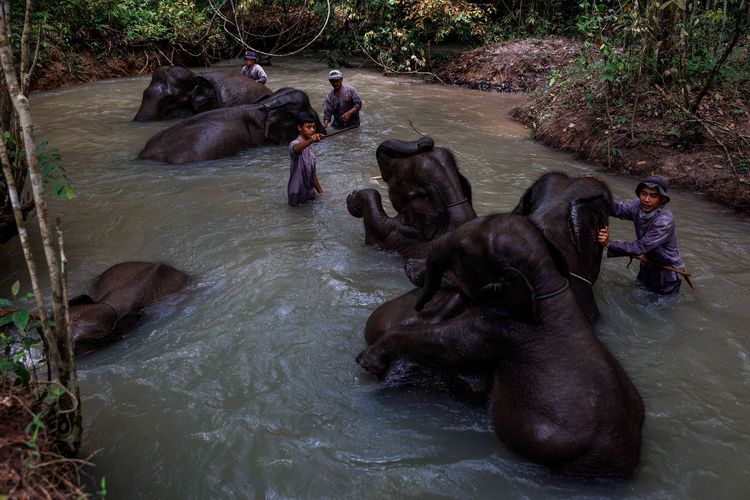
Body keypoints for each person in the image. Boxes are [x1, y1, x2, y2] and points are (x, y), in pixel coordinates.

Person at [597, 175, 685, 295]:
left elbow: (639, 247)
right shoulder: (637, 205)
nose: (646, 199)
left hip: (666, 273)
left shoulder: (664, 222)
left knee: (659, 308)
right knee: (639, 293)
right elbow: (617, 209)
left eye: (653, 195)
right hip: (647, 263)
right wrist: (598, 194)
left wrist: (609, 243)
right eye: (644, 194)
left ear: (662, 199)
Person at [287, 112, 325, 206]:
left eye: (314, 127)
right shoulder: (294, 143)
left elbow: (312, 174)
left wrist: (321, 192)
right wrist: (311, 140)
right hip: (296, 194)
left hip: (310, 194)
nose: (312, 130)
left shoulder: (312, 148)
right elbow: (296, 149)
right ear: (300, 128)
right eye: (308, 127)